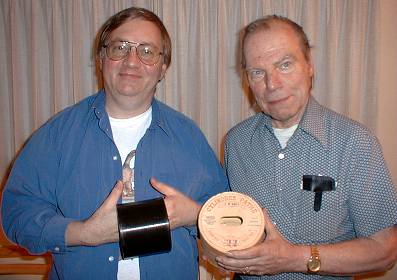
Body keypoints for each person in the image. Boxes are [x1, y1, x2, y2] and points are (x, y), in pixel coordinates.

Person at [1, 7, 228, 280]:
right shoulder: (56, 136)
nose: (132, 61)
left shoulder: (189, 138)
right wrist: (82, 233)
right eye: (120, 47)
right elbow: (16, 216)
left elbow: (225, 216)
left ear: (163, 67)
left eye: (147, 51)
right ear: (101, 58)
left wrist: (197, 215)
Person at [218, 15, 397, 279]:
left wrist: (294, 258)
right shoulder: (236, 142)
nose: (272, 84)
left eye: (285, 65)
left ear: (309, 66)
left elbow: (385, 250)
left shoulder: (355, 143)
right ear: (247, 79)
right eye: (258, 72)